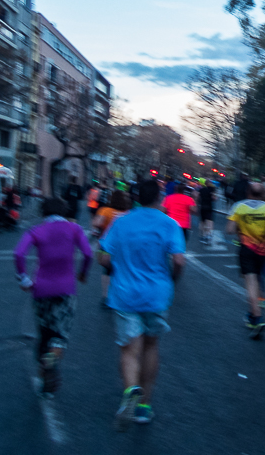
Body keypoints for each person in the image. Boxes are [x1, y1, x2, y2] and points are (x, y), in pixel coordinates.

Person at [98, 179, 186, 429]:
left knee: (129, 350)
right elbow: (179, 261)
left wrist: (115, 268)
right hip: (157, 295)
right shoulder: (169, 224)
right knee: (151, 346)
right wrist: (172, 281)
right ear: (159, 198)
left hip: (125, 294)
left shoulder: (120, 222)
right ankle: (145, 407)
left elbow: (103, 258)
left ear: (135, 198)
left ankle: (129, 391)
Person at [14, 197, 93, 398]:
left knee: (45, 333)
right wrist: (83, 273)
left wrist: (24, 279)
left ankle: (43, 381)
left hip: (41, 289)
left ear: (43, 212)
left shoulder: (37, 230)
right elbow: (88, 253)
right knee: (60, 334)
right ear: (64, 210)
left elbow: (18, 254)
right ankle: (52, 359)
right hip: (66, 289)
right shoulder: (74, 229)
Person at [226, 183, 265, 338]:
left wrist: (240, 230)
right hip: (264, 249)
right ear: (263, 193)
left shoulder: (239, 206)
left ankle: (257, 318)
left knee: (250, 283)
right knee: (258, 279)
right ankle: (252, 314)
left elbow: (229, 230)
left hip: (247, 249)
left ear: (248, 191)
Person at [92, 189, 133, 308]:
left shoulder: (105, 210)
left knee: (107, 270)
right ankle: (121, 295)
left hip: (106, 244)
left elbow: (96, 223)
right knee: (122, 270)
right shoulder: (127, 213)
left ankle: (105, 297)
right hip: (124, 246)